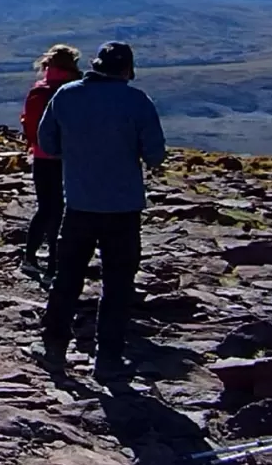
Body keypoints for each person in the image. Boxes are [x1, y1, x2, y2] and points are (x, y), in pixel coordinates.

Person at [31, 41, 166, 382]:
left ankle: (55, 350)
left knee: (67, 279)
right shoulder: (137, 101)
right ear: (127, 70)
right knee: (118, 285)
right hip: (124, 208)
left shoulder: (66, 96)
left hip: (79, 203)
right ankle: (107, 360)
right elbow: (155, 154)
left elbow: (47, 144)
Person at [20, 44, 82, 283]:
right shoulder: (73, 91)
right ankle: (53, 264)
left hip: (43, 157)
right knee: (61, 211)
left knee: (48, 208)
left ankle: (32, 257)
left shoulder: (40, 92)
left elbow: (31, 128)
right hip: (69, 158)